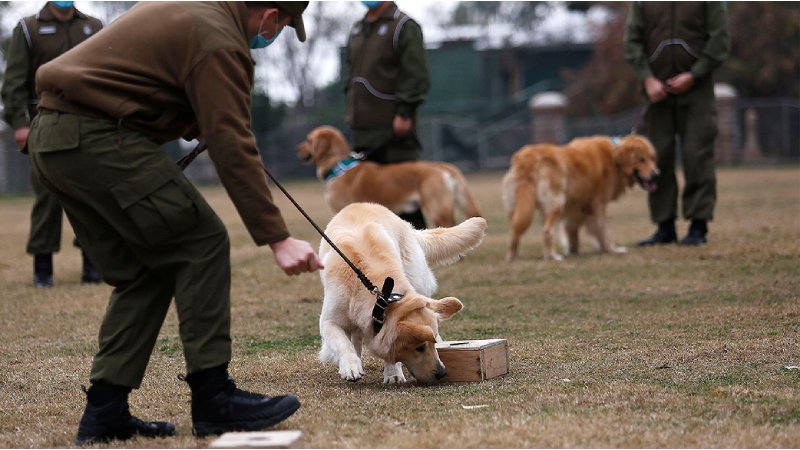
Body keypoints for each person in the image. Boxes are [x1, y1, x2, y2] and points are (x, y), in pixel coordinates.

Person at [26, 1, 323, 444]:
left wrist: (192, 118)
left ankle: (105, 410)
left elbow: (145, 81)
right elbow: (231, 140)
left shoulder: (196, 9)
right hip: (98, 137)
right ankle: (214, 398)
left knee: (143, 269)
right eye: (282, 22)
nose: (277, 32)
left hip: (53, 138)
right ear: (268, 13)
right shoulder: (219, 38)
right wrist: (277, 238)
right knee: (201, 240)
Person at [1, 1, 103, 287]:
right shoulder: (29, 28)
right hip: (43, 123)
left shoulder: (94, 27)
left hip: (89, 124)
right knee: (48, 196)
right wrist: (20, 124)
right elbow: (13, 82)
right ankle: (42, 269)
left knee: (91, 195)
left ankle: (93, 266)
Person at [623, 2, 730, 246]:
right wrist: (647, 79)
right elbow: (631, 42)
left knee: (697, 155)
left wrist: (695, 74)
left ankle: (698, 226)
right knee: (656, 157)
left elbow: (720, 40)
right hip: (656, 93)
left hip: (697, 92)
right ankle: (664, 226)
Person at [344, 1, 431, 229]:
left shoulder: (404, 26)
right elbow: (351, 74)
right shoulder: (357, 29)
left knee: (406, 201)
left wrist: (405, 112)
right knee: (369, 203)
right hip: (363, 130)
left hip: (393, 131)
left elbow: (416, 75)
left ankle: (422, 252)